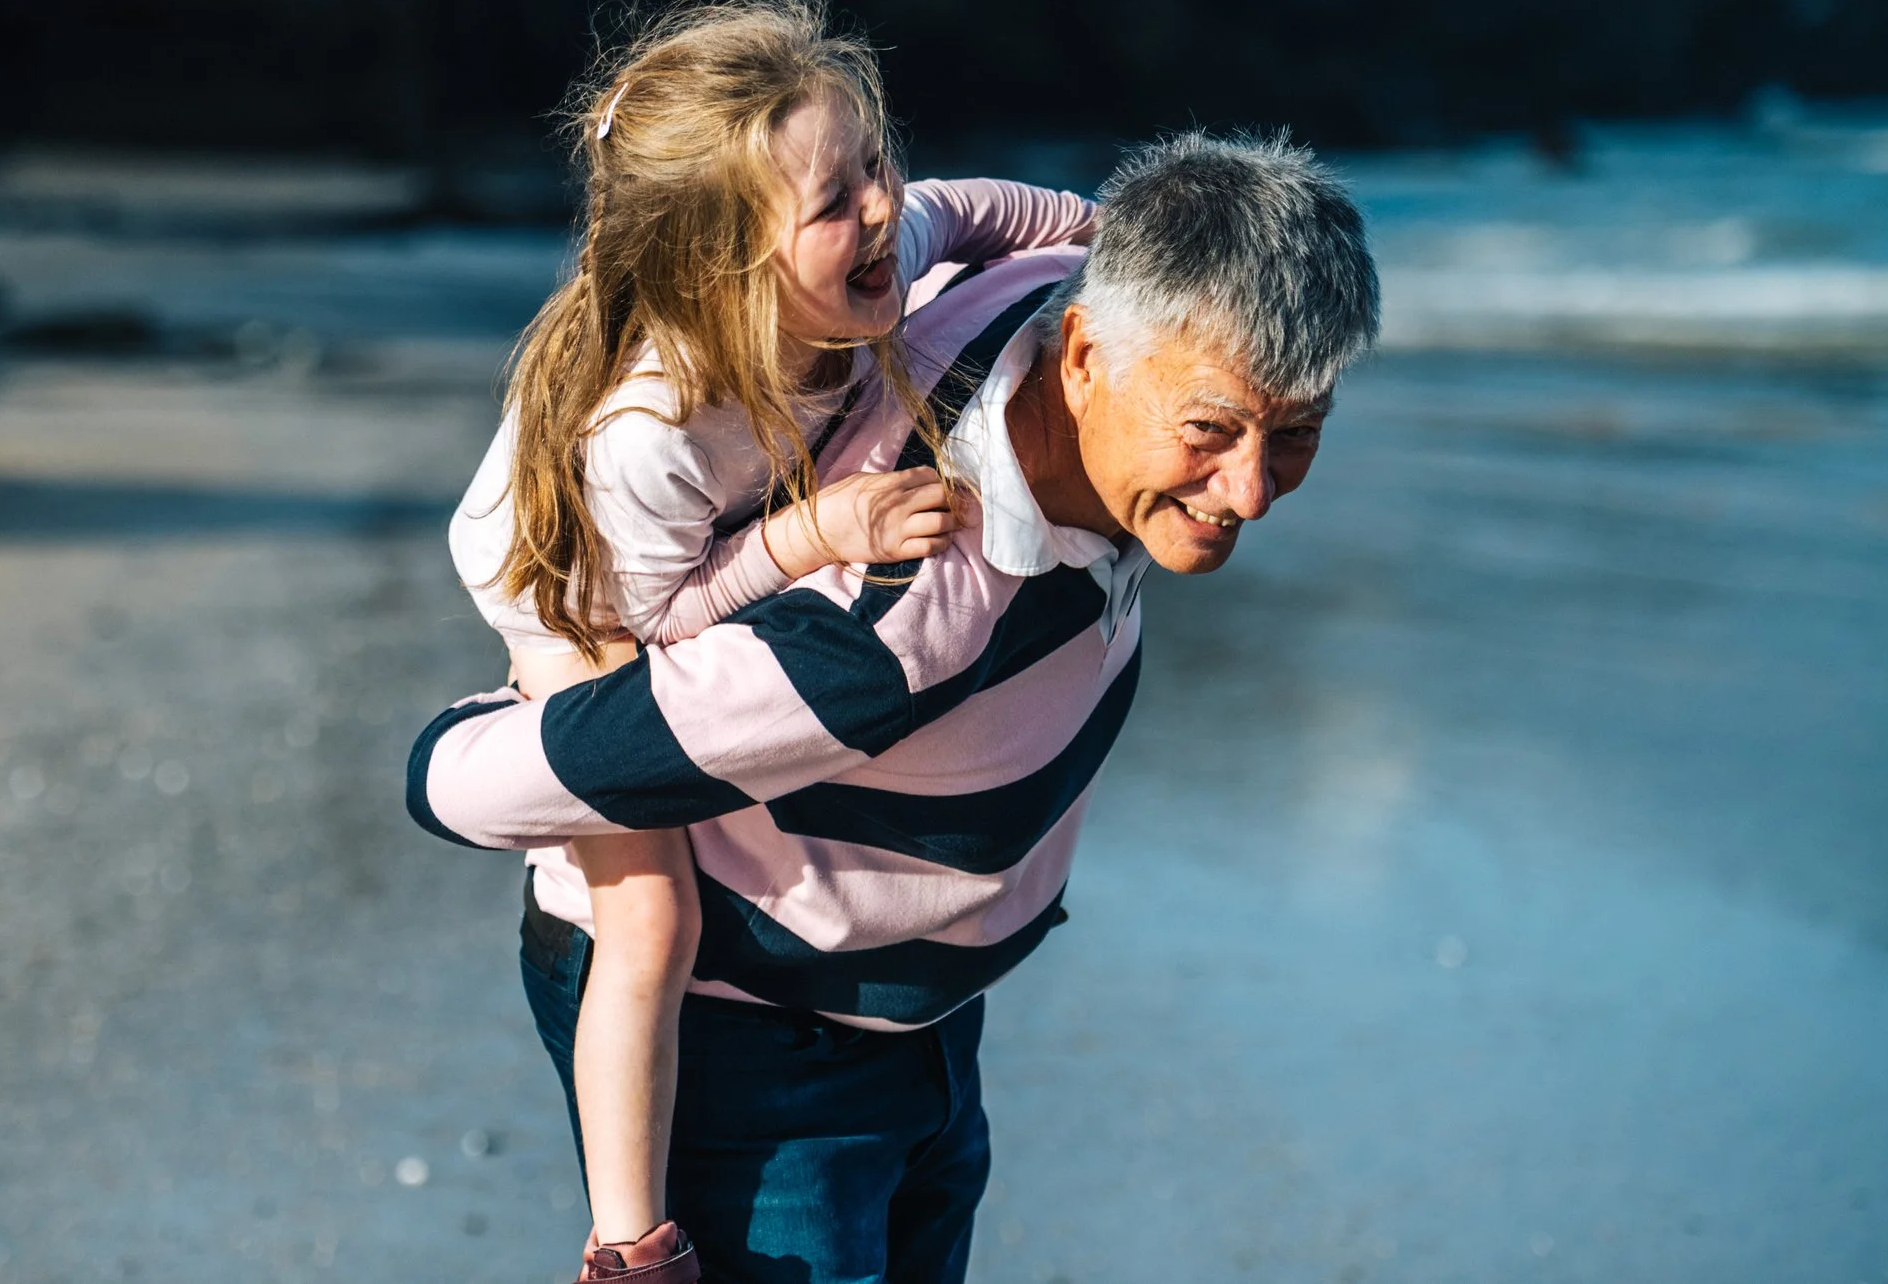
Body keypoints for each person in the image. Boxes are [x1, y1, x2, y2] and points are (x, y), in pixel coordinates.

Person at [412, 130, 1381, 1284]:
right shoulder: (897, 624)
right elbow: (469, 784)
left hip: (908, 1018)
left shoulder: (1044, 284)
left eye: (1299, 433)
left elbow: (956, 213)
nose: (1252, 491)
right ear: (1080, 359)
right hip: (748, 1036)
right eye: (1210, 432)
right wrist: (507, 700)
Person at [447, 0, 1103, 1283]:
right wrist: (816, 536)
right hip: (575, 601)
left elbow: (975, 206)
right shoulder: (663, 423)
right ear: (723, 264)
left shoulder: (870, 249)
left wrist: (1118, 251)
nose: (882, 208)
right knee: (649, 911)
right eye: (835, 199)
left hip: (663, 573)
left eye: (873, 161)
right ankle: (629, 1238)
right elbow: (661, 625)